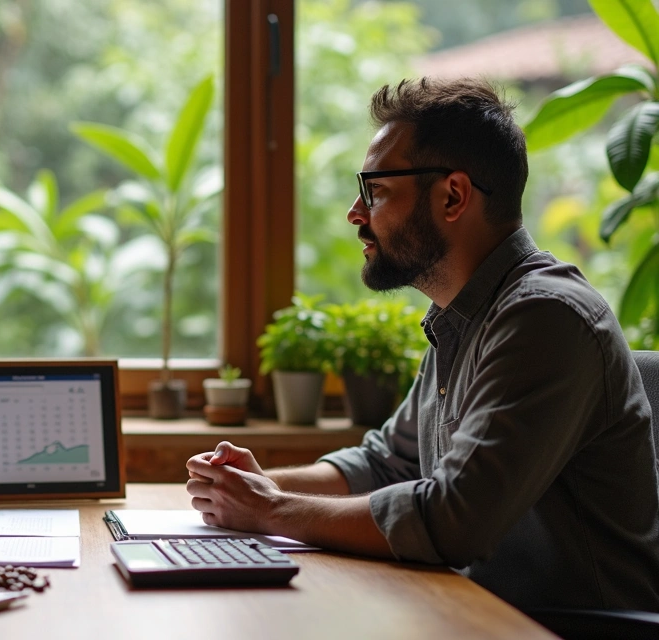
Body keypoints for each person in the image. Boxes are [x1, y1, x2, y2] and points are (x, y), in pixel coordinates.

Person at [187, 78, 659, 611]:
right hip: (471, 613)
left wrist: (271, 511)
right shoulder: (462, 317)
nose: (355, 213)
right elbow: (388, 462)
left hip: (568, 629)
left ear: (452, 196)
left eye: (376, 190)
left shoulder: (546, 318)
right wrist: (253, 488)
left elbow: (454, 521)